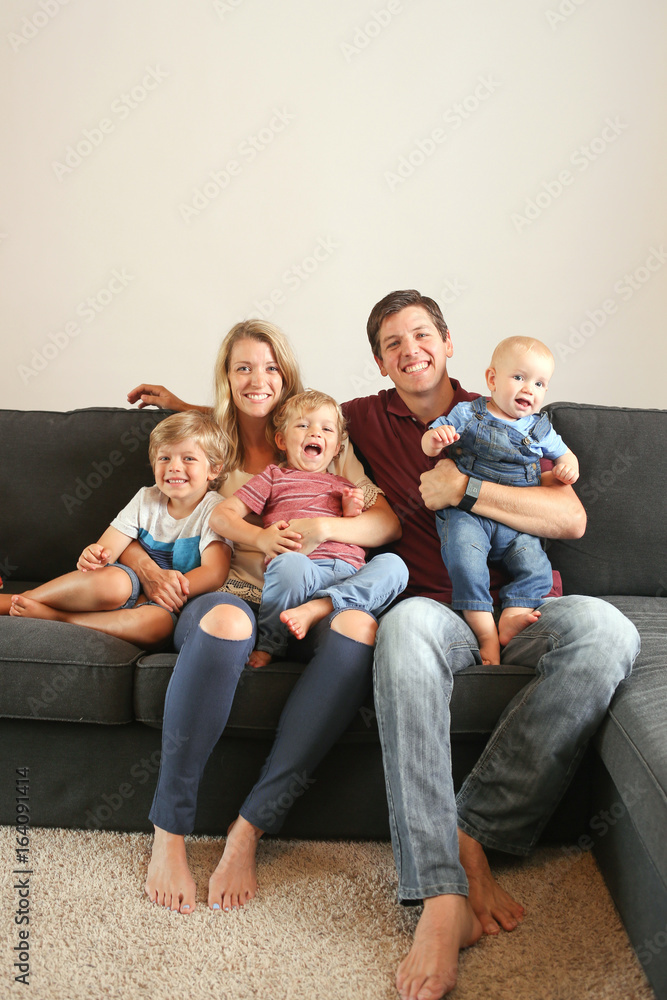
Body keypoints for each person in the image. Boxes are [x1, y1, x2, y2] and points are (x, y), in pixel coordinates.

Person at [341, 290, 640, 1000]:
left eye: (421, 334)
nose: (409, 348)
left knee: (609, 631)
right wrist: (181, 404)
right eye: (391, 342)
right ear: (380, 361)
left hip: (527, 607)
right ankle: (441, 894)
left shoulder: (507, 403)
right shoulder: (358, 418)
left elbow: (568, 518)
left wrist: (465, 488)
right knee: (406, 626)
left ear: (448, 345)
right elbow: (267, 407)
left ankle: (472, 827)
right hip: (436, 611)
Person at [124, 319, 401, 915]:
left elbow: (383, 524)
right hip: (232, 594)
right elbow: (157, 502)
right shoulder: (212, 445)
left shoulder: (320, 436)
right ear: (226, 377)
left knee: (361, 626)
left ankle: (249, 827)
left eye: (271, 367)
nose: (259, 379)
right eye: (243, 367)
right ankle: (169, 830)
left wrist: (325, 527)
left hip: (316, 593)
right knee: (227, 623)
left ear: (289, 379)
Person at [214, 388, 409, 667]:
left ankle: (320, 607)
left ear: (338, 447)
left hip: (350, 574)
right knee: (288, 565)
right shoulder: (273, 477)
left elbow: (373, 530)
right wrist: (260, 537)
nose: (315, 433)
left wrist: (352, 511)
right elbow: (221, 515)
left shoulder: (347, 484)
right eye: (303, 425)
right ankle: (271, 642)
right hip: (304, 570)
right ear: (281, 439)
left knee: (394, 566)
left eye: (327, 429)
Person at [1, 412, 231, 646]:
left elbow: (214, 573)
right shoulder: (146, 498)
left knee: (157, 625)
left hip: (171, 602)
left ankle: (59, 618)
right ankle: (16, 600)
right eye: (164, 458)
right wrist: (94, 555)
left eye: (188, 459)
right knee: (114, 582)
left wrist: (169, 590)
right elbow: (107, 549)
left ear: (214, 469)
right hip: (129, 584)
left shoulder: (216, 509)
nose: (174, 467)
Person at [421, 336, 579, 665]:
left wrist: (567, 468)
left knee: (537, 569)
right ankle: (484, 634)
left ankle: (511, 616)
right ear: (492, 379)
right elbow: (432, 438)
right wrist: (436, 440)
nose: (529, 389)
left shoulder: (540, 429)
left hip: (515, 520)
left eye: (539, 383)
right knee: (465, 561)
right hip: (467, 516)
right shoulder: (468, 413)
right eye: (519, 377)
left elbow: (567, 457)